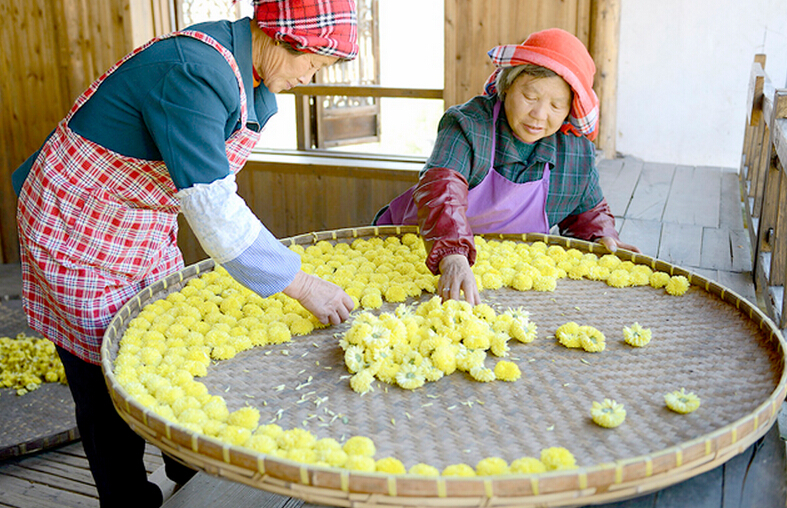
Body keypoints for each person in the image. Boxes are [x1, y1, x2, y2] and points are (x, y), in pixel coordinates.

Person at [12, 1, 357, 506]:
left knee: (166, 341)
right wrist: (301, 284)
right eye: (313, 64)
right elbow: (213, 209)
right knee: (104, 376)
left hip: (138, 218)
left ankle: (190, 476)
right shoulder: (193, 71)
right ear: (282, 39)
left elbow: (209, 185)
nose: (311, 78)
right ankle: (128, 497)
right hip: (76, 223)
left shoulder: (251, 77)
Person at [374, 28, 639, 306]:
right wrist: (452, 255)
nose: (539, 115)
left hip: (498, 278)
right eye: (530, 97)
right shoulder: (468, 124)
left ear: (570, 109)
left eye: (555, 105)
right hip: (414, 249)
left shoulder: (574, 151)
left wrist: (603, 236)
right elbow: (442, 189)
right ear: (508, 85)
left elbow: (588, 212)